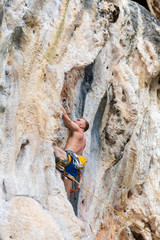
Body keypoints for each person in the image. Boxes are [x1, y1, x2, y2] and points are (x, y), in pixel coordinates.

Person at [53, 106, 89, 198]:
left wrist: (59, 105)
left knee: (52, 148)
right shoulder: (84, 141)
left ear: (82, 126)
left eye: (78, 120)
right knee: (66, 194)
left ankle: (61, 162)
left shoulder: (77, 130)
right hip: (74, 164)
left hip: (68, 157)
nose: (75, 120)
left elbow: (66, 119)